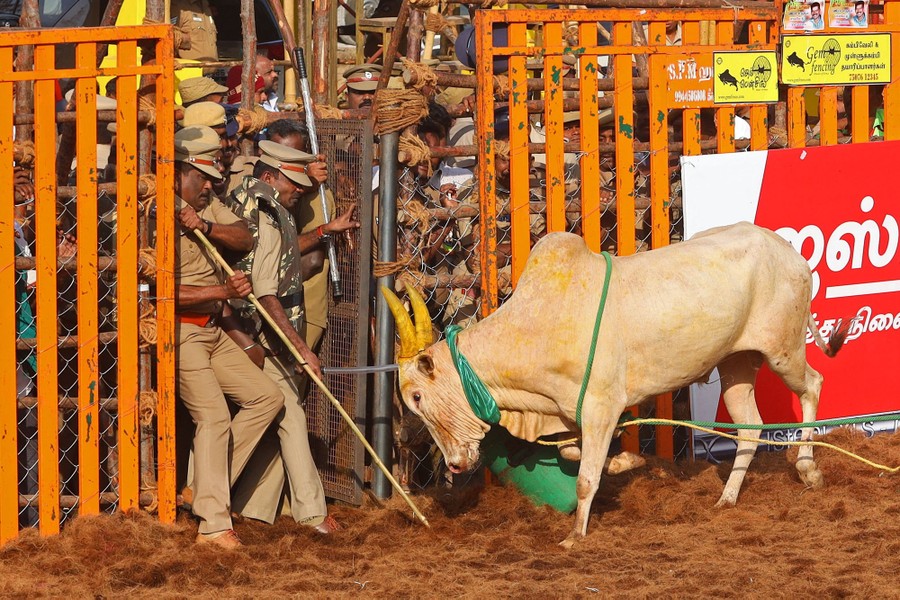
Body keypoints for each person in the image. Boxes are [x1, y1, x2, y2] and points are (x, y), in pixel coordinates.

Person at [174, 126, 285, 549]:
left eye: (211, 177)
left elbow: (245, 235)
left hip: (214, 329)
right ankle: (214, 526)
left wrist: (203, 223)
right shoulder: (150, 212)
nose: (208, 185)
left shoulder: (205, 205)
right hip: (180, 331)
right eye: (200, 176)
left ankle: (203, 491)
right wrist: (222, 292)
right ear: (180, 172)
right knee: (214, 416)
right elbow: (157, 294)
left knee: (266, 397)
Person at [224, 140, 339, 533]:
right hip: (263, 335)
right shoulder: (269, 211)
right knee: (286, 412)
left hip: (245, 330)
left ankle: (252, 507)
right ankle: (310, 513)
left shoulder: (238, 191)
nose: (295, 194)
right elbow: (265, 291)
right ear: (271, 176)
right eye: (291, 186)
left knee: (284, 413)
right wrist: (301, 348)